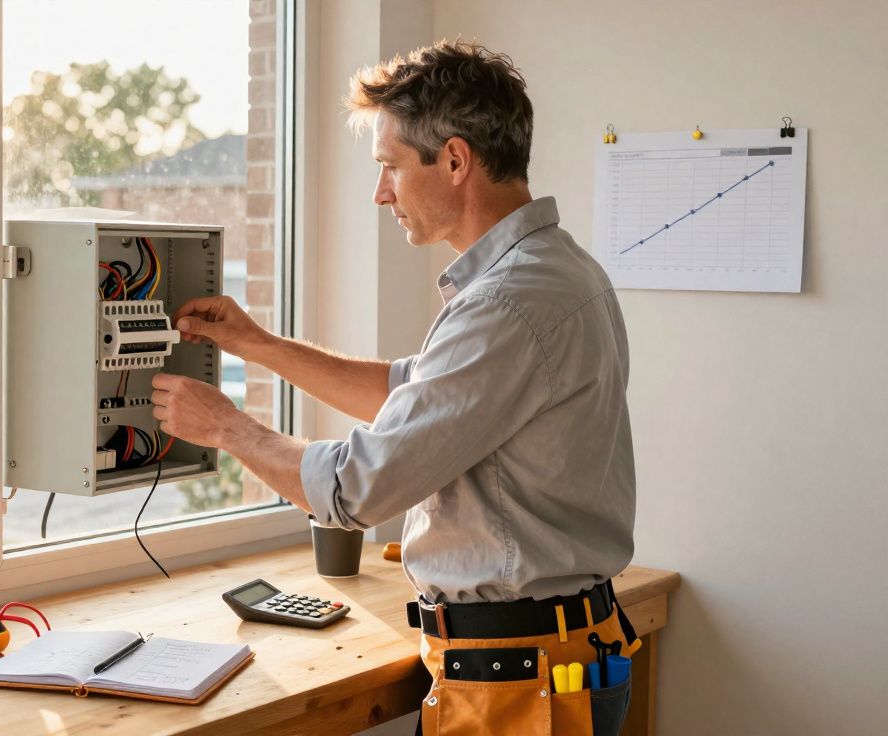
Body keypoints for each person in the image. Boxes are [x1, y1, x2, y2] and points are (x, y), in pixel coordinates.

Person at [151, 40, 636, 735]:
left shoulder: (507, 303)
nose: (381, 193)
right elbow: (415, 395)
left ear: (456, 160)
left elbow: (360, 491)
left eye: (390, 167)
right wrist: (259, 345)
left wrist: (228, 429)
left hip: (519, 680)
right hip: (551, 653)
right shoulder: (555, 272)